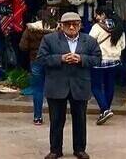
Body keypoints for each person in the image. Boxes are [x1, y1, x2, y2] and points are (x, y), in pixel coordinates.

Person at [36, 11, 101, 159]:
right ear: (61, 25)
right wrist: (60, 58)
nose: (71, 27)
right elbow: (41, 59)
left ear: (80, 25)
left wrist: (81, 59)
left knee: (80, 119)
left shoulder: (89, 40)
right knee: (56, 120)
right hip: (57, 85)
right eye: (67, 24)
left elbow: (97, 58)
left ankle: (79, 149)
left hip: (80, 85)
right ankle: (55, 150)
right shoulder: (49, 39)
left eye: (75, 24)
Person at [88, 8, 125, 125]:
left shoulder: (97, 27)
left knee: (96, 86)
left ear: (103, 15)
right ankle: (105, 111)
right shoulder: (119, 27)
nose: (96, 17)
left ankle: (104, 109)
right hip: (114, 61)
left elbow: (90, 42)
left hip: (99, 61)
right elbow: (123, 45)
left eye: (98, 15)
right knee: (110, 86)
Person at [20, 12, 56, 125]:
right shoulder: (56, 28)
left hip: (35, 61)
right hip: (51, 61)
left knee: (38, 89)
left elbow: (23, 46)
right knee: (53, 89)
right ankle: (55, 116)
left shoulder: (30, 29)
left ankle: (37, 117)